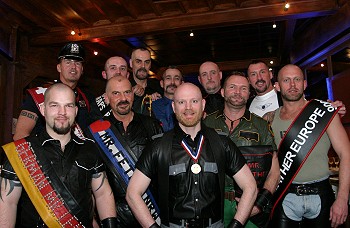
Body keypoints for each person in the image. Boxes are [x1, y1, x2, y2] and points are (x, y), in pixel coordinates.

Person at [126, 82, 257, 228]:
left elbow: (250, 187)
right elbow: (132, 193)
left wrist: (235, 225)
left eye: (194, 101)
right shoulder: (158, 146)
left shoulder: (222, 143)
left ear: (202, 104)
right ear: (174, 107)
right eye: (182, 102)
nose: (188, 107)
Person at [0, 83, 117, 227]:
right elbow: (8, 202)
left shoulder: (90, 148)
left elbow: (103, 194)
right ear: (43, 109)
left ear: (75, 111)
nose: (62, 112)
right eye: (54, 105)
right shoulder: (20, 151)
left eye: (68, 106)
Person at [264, 64, 350, 228]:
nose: (293, 85)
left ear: (304, 84)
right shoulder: (269, 119)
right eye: (286, 80)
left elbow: (346, 154)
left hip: (321, 193)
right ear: (277, 86)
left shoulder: (324, 112)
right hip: (285, 194)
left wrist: (342, 198)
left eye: (297, 79)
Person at [204, 73, 279, 228]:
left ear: (249, 94)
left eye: (243, 88)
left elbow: (274, 171)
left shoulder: (262, 126)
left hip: (249, 203)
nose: (238, 92)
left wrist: (259, 203)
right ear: (223, 92)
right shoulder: (206, 123)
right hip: (212, 204)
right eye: (232, 87)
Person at [87, 76, 163, 227]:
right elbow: (90, 180)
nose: (123, 98)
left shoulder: (152, 125)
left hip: (151, 211)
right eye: (116, 93)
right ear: (107, 98)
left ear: (133, 95)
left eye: (127, 92)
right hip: (112, 216)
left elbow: (163, 171)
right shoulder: (95, 131)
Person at [13, 42, 96, 140]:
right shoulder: (41, 95)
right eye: (68, 62)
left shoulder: (87, 98)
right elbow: (20, 135)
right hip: (45, 153)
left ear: (82, 69)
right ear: (59, 67)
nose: (73, 66)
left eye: (77, 63)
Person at [247, 60, 347, 118]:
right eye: (253, 74)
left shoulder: (289, 96)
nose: (259, 78)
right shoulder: (246, 105)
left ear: (270, 74)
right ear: (249, 80)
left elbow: (310, 111)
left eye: (262, 72)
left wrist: (330, 111)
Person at [129, 48, 163, 116]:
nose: (143, 66)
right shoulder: (124, 88)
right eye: (138, 62)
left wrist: (161, 102)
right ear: (131, 63)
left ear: (150, 65)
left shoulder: (158, 86)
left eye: (147, 62)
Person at [152, 66, 184, 132]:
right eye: (168, 78)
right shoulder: (152, 105)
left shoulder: (189, 106)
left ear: (182, 84)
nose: (172, 82)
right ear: (161, 83)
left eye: (177, 78)